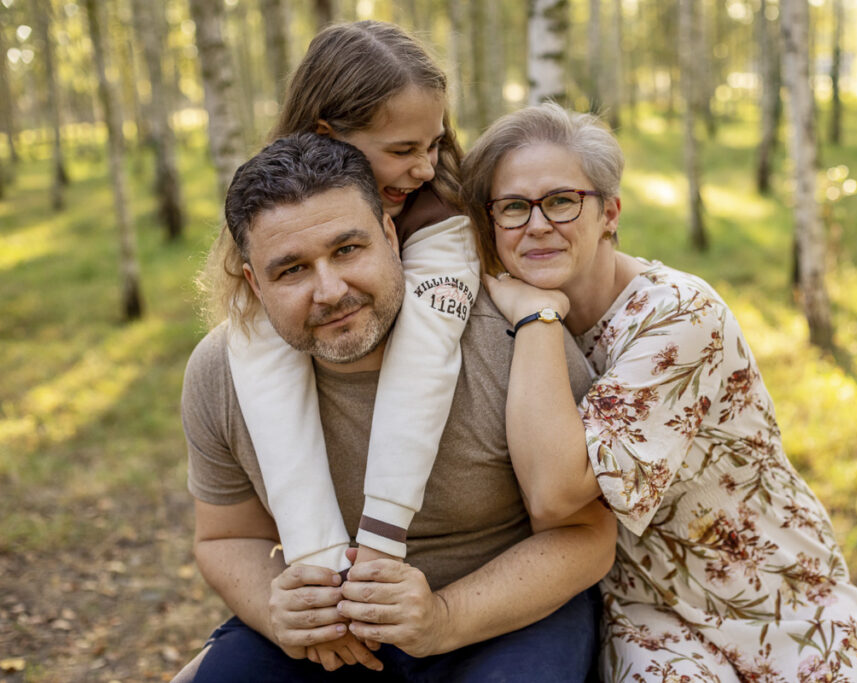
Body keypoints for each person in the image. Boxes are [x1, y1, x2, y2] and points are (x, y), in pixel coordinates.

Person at [462, 103, 857, 682]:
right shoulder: (494, 329)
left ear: (609, 212)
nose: (536, 225)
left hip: (777, 597)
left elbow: (555, 494)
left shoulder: (678, 315)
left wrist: (534, 316)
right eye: (512, 207)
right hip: (646, 610)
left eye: (561, 201)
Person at [175, 132, 616, 681]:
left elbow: (588, 536)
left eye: (347, 250)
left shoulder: (509, 344)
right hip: (331, 634)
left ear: (390, 234)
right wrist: (275, 609)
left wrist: (443, 618)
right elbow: (227, 535)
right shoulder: (221, 372)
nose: (330, 290)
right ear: (253, 283)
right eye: (292, 270)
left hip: (502, 616)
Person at [206, 20, 478, 614]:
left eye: (433, 143)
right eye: (403, 150)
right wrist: (319, 569)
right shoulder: (276, 211)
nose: (426, 167)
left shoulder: (438, 212)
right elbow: (267, 380)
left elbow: (424, 358)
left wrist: (380, 539)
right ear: (329, 136)